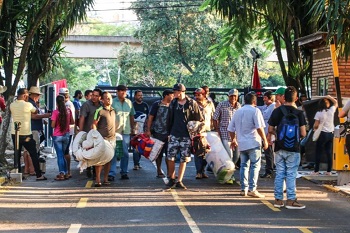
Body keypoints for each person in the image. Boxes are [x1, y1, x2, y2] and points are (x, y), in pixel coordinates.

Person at [267, 86, 307, 209]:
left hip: (279, 147)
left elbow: (270, 129)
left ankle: (278, 200)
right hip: (294, 149)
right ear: (296, 98)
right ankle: (291, 200)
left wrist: (278, 134)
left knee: (279, 173)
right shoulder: (299, 113)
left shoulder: (277, 111)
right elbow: (303, 133)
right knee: (291, 174)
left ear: (284, 97)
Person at [228, 92, 268, 198]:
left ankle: (243, 189)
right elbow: (259, 127)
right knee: (255, 166)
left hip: (241, 143)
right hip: (253, 142)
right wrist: (264, 140)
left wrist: (233, 139)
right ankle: (252, 189)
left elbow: (231, 129)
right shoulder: (255, 111)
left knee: (244, 166)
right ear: (254, 101)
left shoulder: (238, 112)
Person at [166, 83, 203, 190]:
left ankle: (179, 180)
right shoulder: (173, 103)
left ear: (181, 92)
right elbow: (169, 118)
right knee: (170, 156)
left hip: (186, 135)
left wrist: (195, 130)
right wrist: (168, 132)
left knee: (184, 158)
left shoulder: (192, 103)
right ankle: (172, 178)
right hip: (174, 133)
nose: (174, 93)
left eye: (175, 91)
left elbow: (199, 119)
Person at [10, 88, 46, 181]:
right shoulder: (28, 105)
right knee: (33, 153)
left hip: (15, 133)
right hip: (26, 134)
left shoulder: (12, 105)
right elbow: (35, 111)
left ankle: (17, 174)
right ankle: (39, 175)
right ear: (25, 96)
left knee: (17, 153)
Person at [213, 89, 241, 183]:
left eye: (235, 96)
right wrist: (217, 130)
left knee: (236, 156)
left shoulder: (239, 107)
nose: (233, 98)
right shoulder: (222, 104)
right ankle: (229, 176)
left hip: (236, 134)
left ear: (237, 97)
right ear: (228, 96)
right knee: (229, 155)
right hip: (225, 131)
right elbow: (215, 118)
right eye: (231, 96)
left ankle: (227, 172)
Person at [145, 89, 174, 178]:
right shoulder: (157, 104)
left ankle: (170, 172)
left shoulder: (173, 105)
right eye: (171, 95)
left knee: (169, 153)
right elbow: (150, 117)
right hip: (158, 132)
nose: (173, 97)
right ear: (166, 95)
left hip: (170, 132)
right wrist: (148, 130)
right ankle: (159, 170)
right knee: (159, 153)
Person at [109, 84, 136, 181]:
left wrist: (133, 128)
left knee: (125, 152)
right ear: (117, 91)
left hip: (126, 130)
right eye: (121, 90)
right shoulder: (112, 102)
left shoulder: (129, 102)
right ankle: (111, 173)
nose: (123, 92)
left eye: (125, 90)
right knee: (114, 152)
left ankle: (124, 172)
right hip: (115, 131)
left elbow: (132, 115)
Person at [23, 87, 51, 175]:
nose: (39, 97)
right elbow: (33, 116)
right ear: (34, 95)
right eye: (38, 95)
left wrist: (42, 118)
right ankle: (32, 169)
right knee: (33, 150)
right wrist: (45, 115)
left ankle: (27, 169)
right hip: (33, 129)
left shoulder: (29, 103)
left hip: (28, 129)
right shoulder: (30, 104)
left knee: (26, 150)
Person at [92, 91, 116, 187]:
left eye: (110, 97)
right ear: (102, 100)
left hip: (112, 139)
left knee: (108, 159)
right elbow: (94, 124)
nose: (109, 99)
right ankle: (98, 179)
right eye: (106, 97)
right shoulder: (99, 111)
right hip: (102, 139)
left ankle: (105, 178)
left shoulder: (113, 110)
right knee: (100, 160)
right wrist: (96, 137)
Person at [79, 88, 102, 178]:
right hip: (88, 132)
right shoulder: (86, 105)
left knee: (97, 152)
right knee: (89, 151)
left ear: (100, 97)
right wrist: (80, 132)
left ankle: (96, 172)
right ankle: (89, 167)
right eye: (93, 95)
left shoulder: (102, 105)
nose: (94, 97)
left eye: (96, 96)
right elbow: (82, 118)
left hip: (98, 133)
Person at [312, 95, 338, 175]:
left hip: (322, 134)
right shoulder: (331, 110)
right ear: (327, 104)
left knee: (318, 152)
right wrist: (330, 97)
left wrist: (314, 128)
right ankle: (329, 171)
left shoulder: (318, 113)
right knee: (328, 152)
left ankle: (316, 171)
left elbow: (316, 125)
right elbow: (336, 102)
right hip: (330, 134)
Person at [193, 87, 215, 179]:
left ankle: (203, 170)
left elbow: (213, 115)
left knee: (207, 151)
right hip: (197, 130)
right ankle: (198, 171)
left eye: (199, 95)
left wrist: (214, 127)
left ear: (204, 95)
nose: (197, 97)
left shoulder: (210, 104)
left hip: (208, 129)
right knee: (198, 151)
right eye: (196, 95)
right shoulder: (193, 103)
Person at [51, 95, 74, 180]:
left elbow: (52, 125)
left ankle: (62, 173)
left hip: (57, 136)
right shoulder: (68, 111)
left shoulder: (55, 112)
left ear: (56, 102)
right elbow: (72, 122)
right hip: (66, 135)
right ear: (64, 101)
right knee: (64, 154)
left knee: (60, 155)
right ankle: (65, 172)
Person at [258, 90, 276, 178]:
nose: (263, 99)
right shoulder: (267, 106)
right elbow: (260, 108)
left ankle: (269, 170)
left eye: (265, 97)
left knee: (268, 152)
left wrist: (269, 135)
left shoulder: (273, 107)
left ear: (270, 98)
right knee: (268, 152)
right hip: (265, 132)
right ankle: (269, 168)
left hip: (268, 133)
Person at [59, 88, 75, 178]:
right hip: (65, 131)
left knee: (65, 152)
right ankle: (65, 171)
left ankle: (68, 171)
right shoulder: (66, 104)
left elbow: (71, 120)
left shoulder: (68, 105)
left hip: (67, 131)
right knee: (64, 152)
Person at [132, 90, 149, 170]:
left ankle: (137, 162)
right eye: (139, 95)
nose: (140, 97)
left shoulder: (145, 105)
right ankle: (136, 164)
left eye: (141, 95)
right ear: (135, 96)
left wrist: (147, 129)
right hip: (135, 129)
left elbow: (148, 118)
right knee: (135, 147)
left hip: (143, 130)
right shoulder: (132, 105)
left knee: (141, 146)